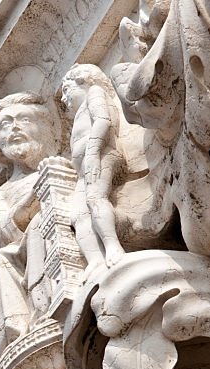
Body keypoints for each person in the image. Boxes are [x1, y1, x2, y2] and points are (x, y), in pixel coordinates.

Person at [0, 92, 63, 363]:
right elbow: (4, 233)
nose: (14, 128)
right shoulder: (1, 194)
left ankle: (46, 307)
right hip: (19, 255)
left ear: (43, 127)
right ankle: (17, 333)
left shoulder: (59, 165)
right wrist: (32, 199)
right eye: (5, 124)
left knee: (39, 225)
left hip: (59, 234)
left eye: (23, 119)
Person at [60, 64, 126, 267]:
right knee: (78, 214)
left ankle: (113, 246)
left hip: (102, 155)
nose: (63, 99)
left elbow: (103, 121)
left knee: (96, 198)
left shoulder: (95, 92)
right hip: (85, 168)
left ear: (83, 81)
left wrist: (91, 153)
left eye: (66, 89)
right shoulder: (80, 112)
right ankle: (96, 261)